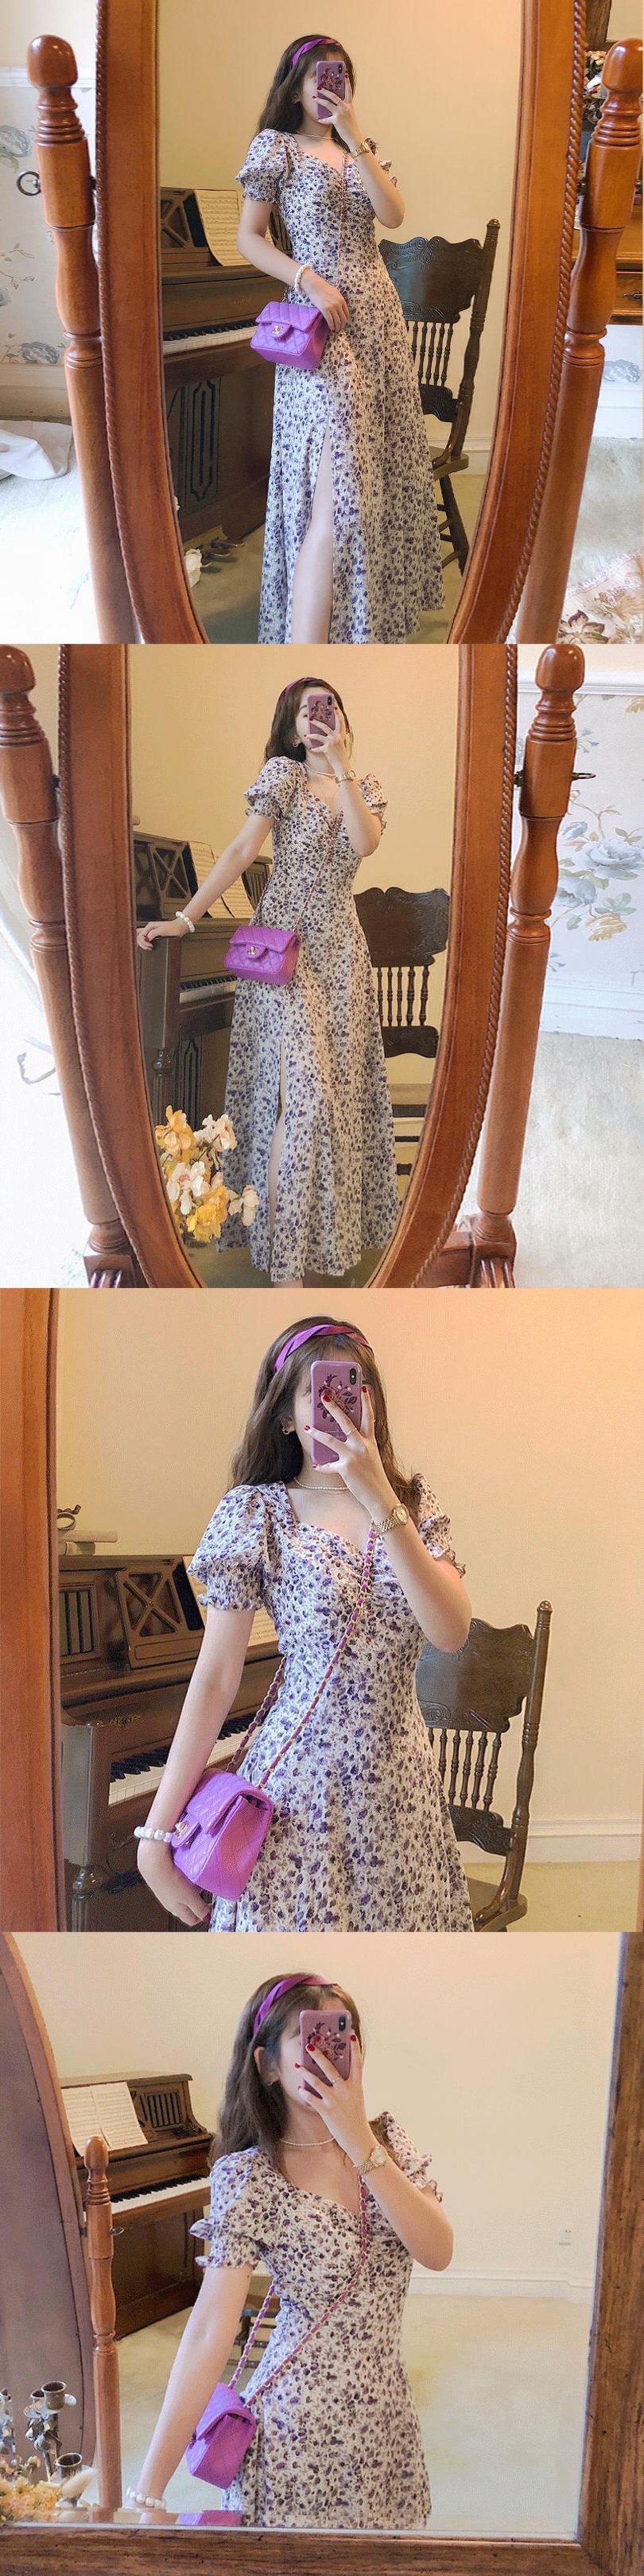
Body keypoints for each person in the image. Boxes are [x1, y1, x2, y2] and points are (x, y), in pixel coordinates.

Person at [135, 1317, 473, 1931]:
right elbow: (215, 1678)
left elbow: (450, 1632)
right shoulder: (257, 1512)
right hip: (300, 1790)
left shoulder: (412, 1503)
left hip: (402, 1787)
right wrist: (155, 1834)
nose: (340, 1403)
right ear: (285, 1417)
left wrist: (379, 1498)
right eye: (320, 1390)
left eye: (355, 1387)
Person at [129, 1971, 452, 2530]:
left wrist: (358, 2140)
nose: (327, 2053)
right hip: (297, 2431)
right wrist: (150, 2491)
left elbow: (437, 2250)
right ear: (268, 2065)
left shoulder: (388, 2141)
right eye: (308, 2038)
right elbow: (208, 2331)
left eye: (341, 2035)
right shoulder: (251, 2176)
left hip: (387, 2418)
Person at [137, 679, 399, 1283]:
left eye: (329, 706)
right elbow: (239, 851)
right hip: (283, 954)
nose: (320, 717)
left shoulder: (365, 786)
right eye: (307, 710)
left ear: (341, 718)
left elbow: (365, 844)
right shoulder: (282, 776)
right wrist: (184, 919)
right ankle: (285, 1266)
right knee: (302, 1099)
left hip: (341, 956)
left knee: (333, 1101)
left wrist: (343, 769)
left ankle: (312, 1245)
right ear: (290, 727)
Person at [235, 34, 444, 642]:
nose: (332, 87)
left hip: (378, 320)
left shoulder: (358, 150)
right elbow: (249, 238)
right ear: (295, 86)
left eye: (342, 77)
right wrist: (307, 279)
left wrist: (355, 138)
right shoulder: (276, 147)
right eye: (321, 77)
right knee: (337, 487)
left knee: (368, 477)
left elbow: (393, 216)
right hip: (320, 324)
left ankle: (351, 628)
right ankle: (305, 648)